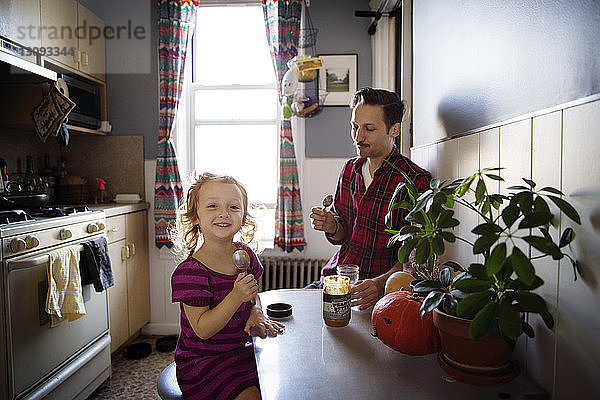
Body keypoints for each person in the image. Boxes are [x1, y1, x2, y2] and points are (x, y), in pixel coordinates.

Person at [309, 87, 431, 310]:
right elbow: (342, 233)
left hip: (380, 294)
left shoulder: (415, 180)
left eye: (369, 129)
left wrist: (380, 284)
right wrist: (331, 225)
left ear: (394, 130)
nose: (358, 137)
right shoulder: (350, 169)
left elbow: (413, 258)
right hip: (336, 279)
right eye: (354, 127)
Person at [171, 172, 284, 400]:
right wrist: (235, 297)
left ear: (243, 217)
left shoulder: (245, 255)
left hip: (240, 350)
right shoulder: (191, 273)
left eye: (233, 207)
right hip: (204, 362)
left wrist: (256, 310)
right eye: (212, 206)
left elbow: (253, 294)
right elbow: (203, 330)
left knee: (283, 381)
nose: (224, 213)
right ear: (195, 217)